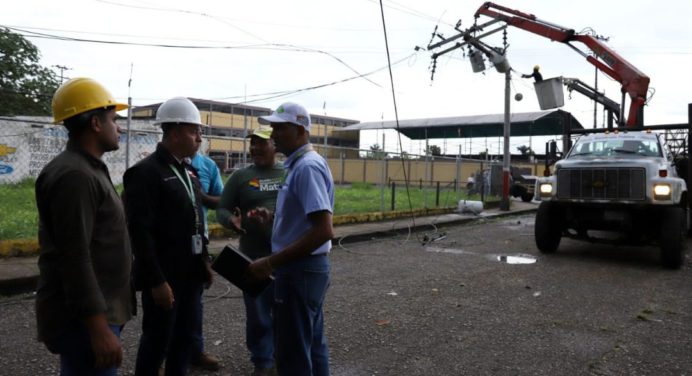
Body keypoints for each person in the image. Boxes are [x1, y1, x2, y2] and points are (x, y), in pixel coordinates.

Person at [35, 77, 132, 375]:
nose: (119, 128)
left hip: (97, 312)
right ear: (95, 123)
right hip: (84, 320)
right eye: (114, 120)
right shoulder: (75, 176)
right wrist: (98, 329)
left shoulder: (86, 167)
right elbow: (75, 257)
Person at [123, 96, 213, 376]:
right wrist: (156, 281)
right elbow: (140, 233)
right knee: (157, 340)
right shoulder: (144, 173)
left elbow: (196, 220)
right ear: (174, 133)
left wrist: (204, 260)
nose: (200, 137)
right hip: (165, 277)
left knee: (184, 340)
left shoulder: (188, 170)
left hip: (191, 274)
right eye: (194, 130)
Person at [247, 102, 335, 376]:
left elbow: (323, 230)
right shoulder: (299, 165)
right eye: (273, 127)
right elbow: (305, 220)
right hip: (306, 269)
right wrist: (274, 218)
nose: (273, 134)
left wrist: (270, 262)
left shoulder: (307, 167)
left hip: (300, 271)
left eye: (280, 128)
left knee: (292, 354)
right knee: (311, 344)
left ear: (300, 130)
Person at [217, 125, 284, 376]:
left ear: (275, 145)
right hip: (252, 256)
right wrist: (230, 221)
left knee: (285, 312)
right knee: (257, 315)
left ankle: (282, 357)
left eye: (261, 143)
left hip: (285, 256)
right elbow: (222, 208)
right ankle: (262, 362)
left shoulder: (289, 173)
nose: (254, 147)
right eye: (252, 143)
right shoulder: (241, 177)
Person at [188, 152, 223, 371]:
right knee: (164, 305)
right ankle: (158, 358)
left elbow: (221, 200)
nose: (199, 137)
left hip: (198, 241)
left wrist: (201, 196)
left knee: (194, 302)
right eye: (193, 131)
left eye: (200, 132)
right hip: (168, 245)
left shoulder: (207, 166)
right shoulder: (156, 167)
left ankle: (195, 351)